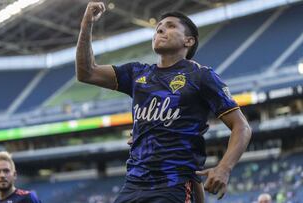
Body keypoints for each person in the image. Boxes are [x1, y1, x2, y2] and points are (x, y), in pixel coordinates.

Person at [76, 1, 252, 202]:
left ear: (189, 41)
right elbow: (86, 72)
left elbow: (242, 127)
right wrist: (86, 23)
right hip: (133, 184)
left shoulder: (201, 76)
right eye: (158, 27)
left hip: (174, 185)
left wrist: (224, 168)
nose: (160, 29)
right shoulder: (136, 73)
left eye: (170, 26)